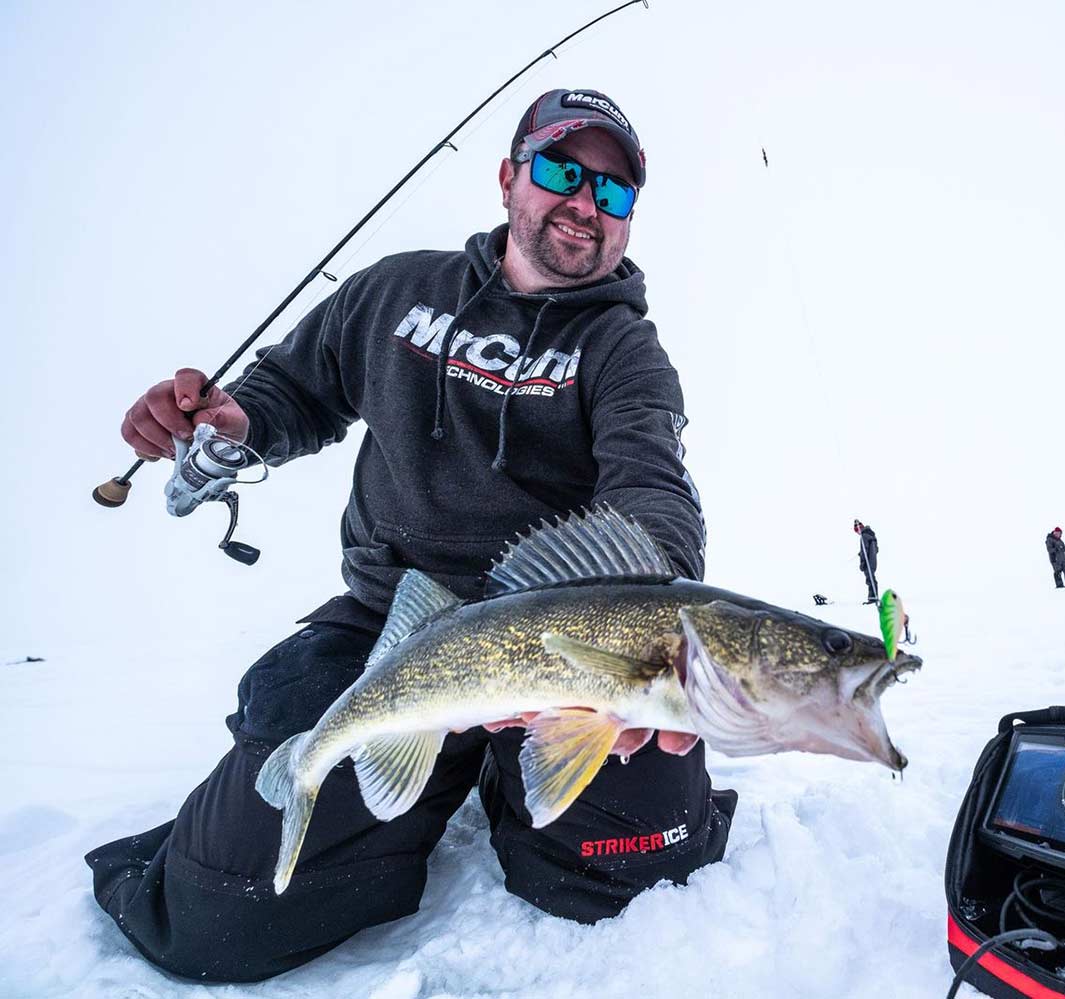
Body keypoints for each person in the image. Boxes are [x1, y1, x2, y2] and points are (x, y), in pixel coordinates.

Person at [89, 88, 735, 983]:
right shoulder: (396, 291)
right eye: (562, 171)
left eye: (614, 190)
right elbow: (292, 391)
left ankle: (503, 772)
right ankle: (408, 775)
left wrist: (646, 637)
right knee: (219, 915)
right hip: (393, 621)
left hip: (559, 643)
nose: (587, 202)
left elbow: (653, 488)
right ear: (508, 178)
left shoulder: (625, 352)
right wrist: (237, 422)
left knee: (634, 868)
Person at [854, 518, 880, 603]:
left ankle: (873, 598)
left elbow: (865, 549)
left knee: (870, 579)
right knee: (871, 578)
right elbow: (876, 549)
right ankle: (873, 597)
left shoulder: (864, 536)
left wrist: (863, 562)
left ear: (859, 529)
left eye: (857, 532)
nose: (858, 534)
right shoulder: (871, 535)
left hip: (868, 561)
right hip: (873, 560)